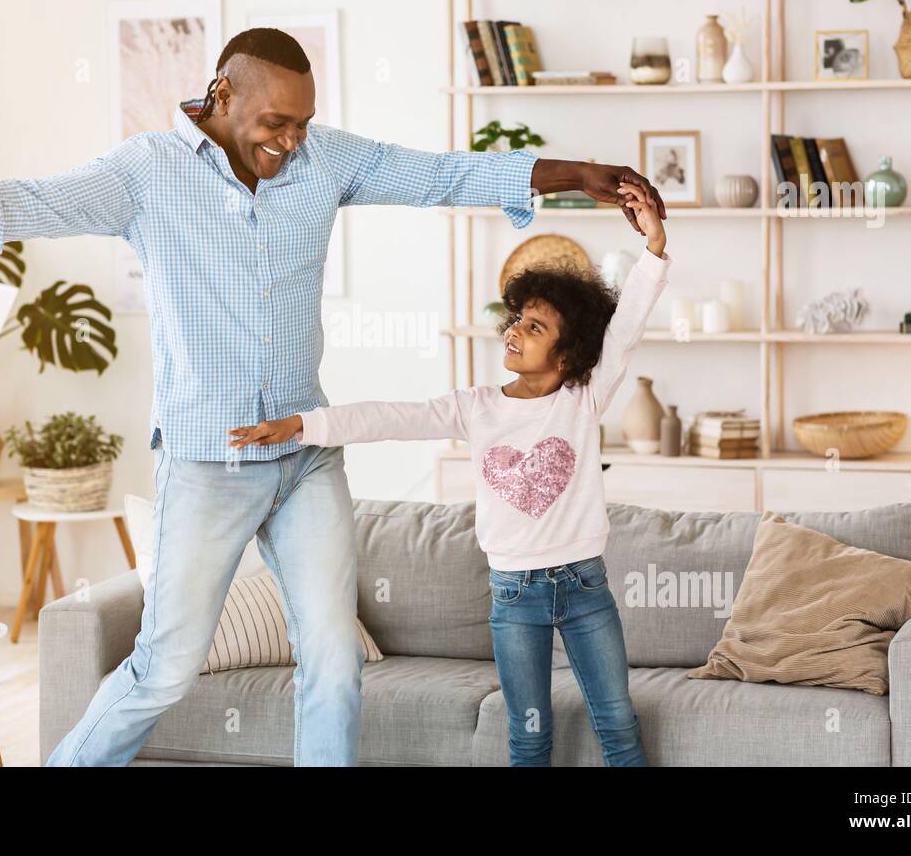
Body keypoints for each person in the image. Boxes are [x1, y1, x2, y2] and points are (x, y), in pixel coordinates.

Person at [0, 26, 667, 767]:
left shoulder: (325, 160)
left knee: (334, 658)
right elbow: (28, 204)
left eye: (301, 123)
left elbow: (442, 175)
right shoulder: (145, 172)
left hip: (302, 457)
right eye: (274, 121)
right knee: (166, 668)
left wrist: (581, 173)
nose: (291, 140)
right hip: (206, 462)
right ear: (222, 93)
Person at [229, 182, 668, 766]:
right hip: (514, 597)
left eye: (534, 328)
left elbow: (629, 321)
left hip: (585, 588)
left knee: (617, 726)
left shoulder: (582, 396)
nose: (514, 330)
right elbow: (388, 417)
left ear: (567, 356)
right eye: (516, 320)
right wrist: (301, 425)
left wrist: (656, 247)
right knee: (530, 736)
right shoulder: (476, 407)